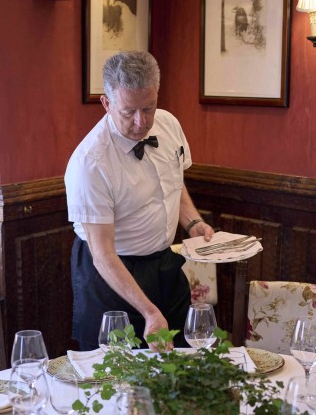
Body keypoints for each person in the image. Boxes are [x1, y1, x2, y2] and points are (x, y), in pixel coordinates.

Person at [65, 51, 215, 350]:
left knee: (179, 370)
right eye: (129, 111)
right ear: (106, 103)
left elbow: (174, 183)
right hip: (111, 274)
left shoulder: (169, 124)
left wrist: (193, 221)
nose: (141, 121)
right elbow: (103, 254)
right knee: (117, 380)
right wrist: (148, 311)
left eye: (149, 108)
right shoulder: (90, 162)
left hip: (164, 264)